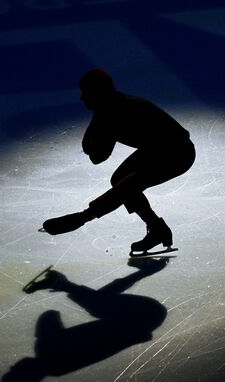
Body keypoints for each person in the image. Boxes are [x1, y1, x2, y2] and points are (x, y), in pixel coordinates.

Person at [42, 68, 195, 254]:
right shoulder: (107, 107)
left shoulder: (113, 112)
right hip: (158, 150)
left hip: (177, 153)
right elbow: (97, 153)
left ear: (97, 94)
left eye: (85, 93)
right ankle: (156, 228)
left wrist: (86, 215)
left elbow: (98, 156)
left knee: (127, 184)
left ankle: (88, 217)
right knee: (120, 179)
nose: (81, 98)